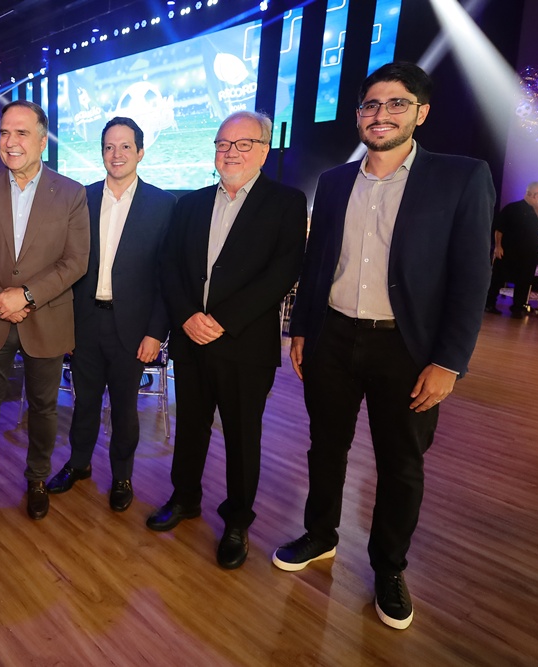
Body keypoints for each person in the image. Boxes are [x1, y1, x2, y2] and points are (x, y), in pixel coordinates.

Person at [273, 62, 495, 630]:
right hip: (333, 336)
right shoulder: (334, 182)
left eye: (397, 104)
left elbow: (472, 278)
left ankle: (389, 568)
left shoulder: (461, 177)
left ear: (421, 113)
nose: (382, 114)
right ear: (358, 116)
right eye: (371, 104)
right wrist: (301, 329)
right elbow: (318, 265)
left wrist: (449, 362)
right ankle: (320, 535)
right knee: (326, 447)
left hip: (408, 348)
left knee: (400, 465)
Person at [148, 111, 307, 570]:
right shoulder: (190, 204)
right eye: (222, 144)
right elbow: (169, 265)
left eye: (242, 144)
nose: (230, 152)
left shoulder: (286, 202)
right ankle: (185, 498)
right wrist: (186, 317)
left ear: (264, 150)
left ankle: (237, 521)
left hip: (244, 345)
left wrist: (221, 320)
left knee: (241, 436)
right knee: (190, 427)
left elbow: (283, 271)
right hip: (191, 339)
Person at [0, 100, 89, 521]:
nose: (10, 142)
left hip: (45, 318)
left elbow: (76, 261)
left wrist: (26, 296)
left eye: (21, 133)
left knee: (44, 407)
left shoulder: (71, 193)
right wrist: (0, 297)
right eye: (4, 133)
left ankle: (37, 479)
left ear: (43, 140)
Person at [45, 117, 175, 512]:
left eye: (125, 146)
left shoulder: (163, 205)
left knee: (124, 408)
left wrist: (156, 332)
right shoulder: (81, 199)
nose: (116, 154)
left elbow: (166, 276)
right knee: (84, 402)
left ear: (140, 152)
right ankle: (78, 463)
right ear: (101, 152)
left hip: (133, 329)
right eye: (108, 147)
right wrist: (64, 325)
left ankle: (122, 476)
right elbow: (64, 265)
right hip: (85, 322)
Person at [485, 181, 538, 317]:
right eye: (529, 193)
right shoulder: (512, 207)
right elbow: (499, 228)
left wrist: (536, 206)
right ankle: (489, 303)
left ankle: (518, 308)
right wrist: (498, 246)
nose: (532, 196)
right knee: (497, 277)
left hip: (529, 251)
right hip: (507, 248)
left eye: (536, 194)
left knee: (524, 280)